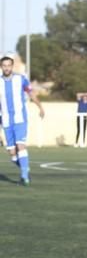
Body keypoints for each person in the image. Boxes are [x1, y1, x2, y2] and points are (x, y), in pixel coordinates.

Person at [1, 56, 44, 186]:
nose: (7, 67)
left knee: (20, 146)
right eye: (4, 65)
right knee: (12, 154)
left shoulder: (20, 79)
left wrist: (40, 107)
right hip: (6, 120)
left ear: (12, 66)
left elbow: (31, 93)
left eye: (9, 65)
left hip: (20, 119)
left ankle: (24, 177)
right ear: (1, 67)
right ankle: (25, 168)